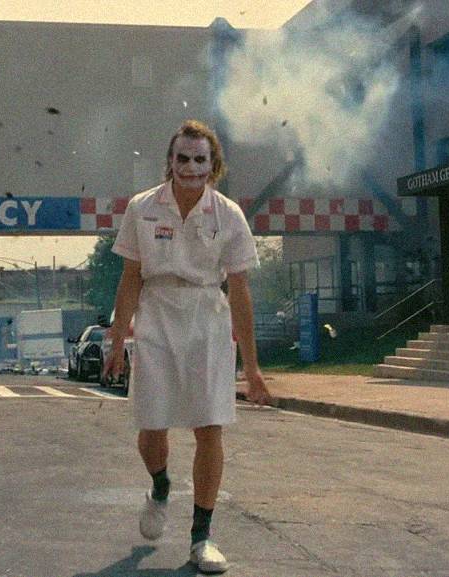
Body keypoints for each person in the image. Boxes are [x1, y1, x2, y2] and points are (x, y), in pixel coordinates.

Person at [102, 119, 272, 574]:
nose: (191, 167)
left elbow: (239, 292)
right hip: (155, 316)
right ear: (170, 162)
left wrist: (252, 369)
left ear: (213, 165)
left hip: (207, 320)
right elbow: (130, 278)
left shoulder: (229, 215)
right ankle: (160, 487)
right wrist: (118, 339)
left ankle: (201, 538)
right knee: (151, 425)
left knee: (208, 427)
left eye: (201, 159)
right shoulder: (142, 209)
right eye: (183, 158)